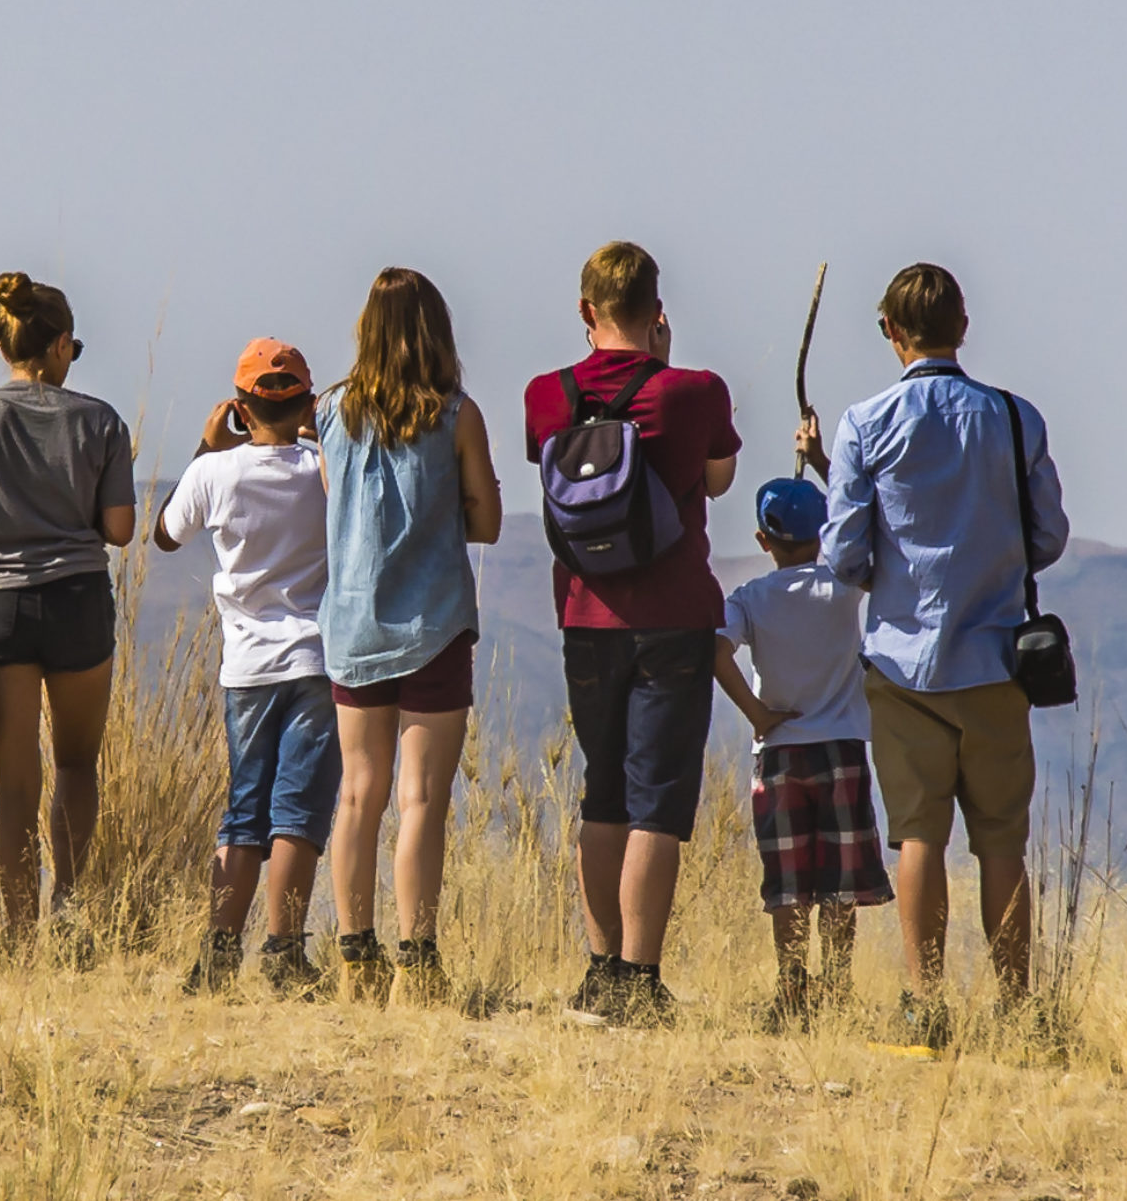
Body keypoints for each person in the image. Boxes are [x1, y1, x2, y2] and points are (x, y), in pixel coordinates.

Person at [816, 262, 1068, 1048]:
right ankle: (1020, 1012)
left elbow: (843, 556)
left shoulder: (865, 424)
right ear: (964, 326)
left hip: (902, 668)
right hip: (997, 663)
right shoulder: (1017, 420)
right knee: (1001, 843)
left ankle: (925, 1006)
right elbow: (1048, 538)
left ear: (891, 333)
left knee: (917, 836)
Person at [525, 241, 741, 1027]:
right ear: (657, 310)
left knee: (603, 791)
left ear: (586, 312)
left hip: (585, 616)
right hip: (675, 613)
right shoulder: (695, 391)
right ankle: (641, 980)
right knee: (659, 803)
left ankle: (599, 970)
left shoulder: (545, 395)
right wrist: (668, 363)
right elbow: (717, 479)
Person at [0, 272, 135, 943]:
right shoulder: (101, 420)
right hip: (77, 601)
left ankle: (15, 936)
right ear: (63, 345)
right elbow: (122, 528)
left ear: (4, 343)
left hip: (0, 608)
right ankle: (70, 917)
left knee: (14, 785)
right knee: (77, 765)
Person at [318, 267, 502, 1006]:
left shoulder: (330, 413)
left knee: (358, 795)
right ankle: (417, 965)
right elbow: (485, 522)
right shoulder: (458, 415)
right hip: (433, 627)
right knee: (422, 798)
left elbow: (341, 511)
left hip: (355, 626)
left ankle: (354, 959)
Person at [154, 339, 340, 997]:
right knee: (299, 811)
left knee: (245, 812)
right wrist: (322, 436)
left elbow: (166, 533)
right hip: (318, 657)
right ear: (309, 405)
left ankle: (217, 955)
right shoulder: (326, 469)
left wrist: (207, 449)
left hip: (247, 669)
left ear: (239, 408)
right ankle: (286, 951)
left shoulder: (216, 473)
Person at [713, 476, 893, 1031]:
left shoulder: (748, 598)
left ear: (762, 540)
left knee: (788, 881)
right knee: (840, 882)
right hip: (840, 750)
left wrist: (758, 715)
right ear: (823, 534)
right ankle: (836, 989)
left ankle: (791, 987)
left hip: (779, 753)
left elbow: (716, 653)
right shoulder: (843, 587)